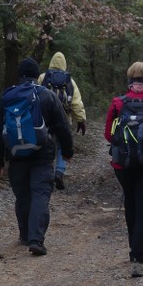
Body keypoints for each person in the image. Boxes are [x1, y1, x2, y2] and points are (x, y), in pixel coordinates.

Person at [0, 57, 74, 256]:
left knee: (22, 196)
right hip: (42, 154)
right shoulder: (46, 95)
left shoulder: (7, 96)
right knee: (40, 195)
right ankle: (36, 240)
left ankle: (25, 235)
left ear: (19, 75)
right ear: (38, 76)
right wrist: (68, 151)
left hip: (15, 154)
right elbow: (62, 126)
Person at [105, 62, 143, 277]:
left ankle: (133, 252)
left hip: (123, 164)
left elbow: (108, 135)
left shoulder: (117, 103)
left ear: (130, 80)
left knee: (130, 202)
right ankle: (138, 258)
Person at [38, 52, 87, 191]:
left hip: (44, 119)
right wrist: (81, 120)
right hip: (63, 118)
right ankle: (59, 172)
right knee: (61, 146)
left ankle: (44, 174)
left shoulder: (42, 77)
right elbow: (76, 103)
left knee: (45, 145)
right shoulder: (70, 81)